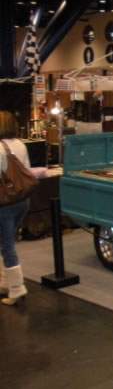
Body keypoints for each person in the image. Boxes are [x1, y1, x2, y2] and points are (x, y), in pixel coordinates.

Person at [0, 111, 31, 306]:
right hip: (22, 201)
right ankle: (5, 282)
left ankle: (17, 289)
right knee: (6, 242)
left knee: (7, 245)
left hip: (4, 203)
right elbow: (27, 170)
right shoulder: (20, 144)